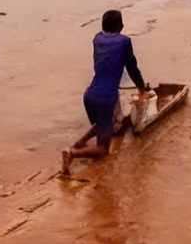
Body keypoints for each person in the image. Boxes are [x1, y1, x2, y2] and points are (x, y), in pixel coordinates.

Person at [61, 10, 149, 175]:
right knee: (103, 150)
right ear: (121, 26)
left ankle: (79, 142)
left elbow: (109, 59)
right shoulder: (124, 41)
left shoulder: (97, 39)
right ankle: (74, 153)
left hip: (90, 95)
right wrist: (141, 89)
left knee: (107, 124)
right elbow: (132, 68)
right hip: (106, 97)